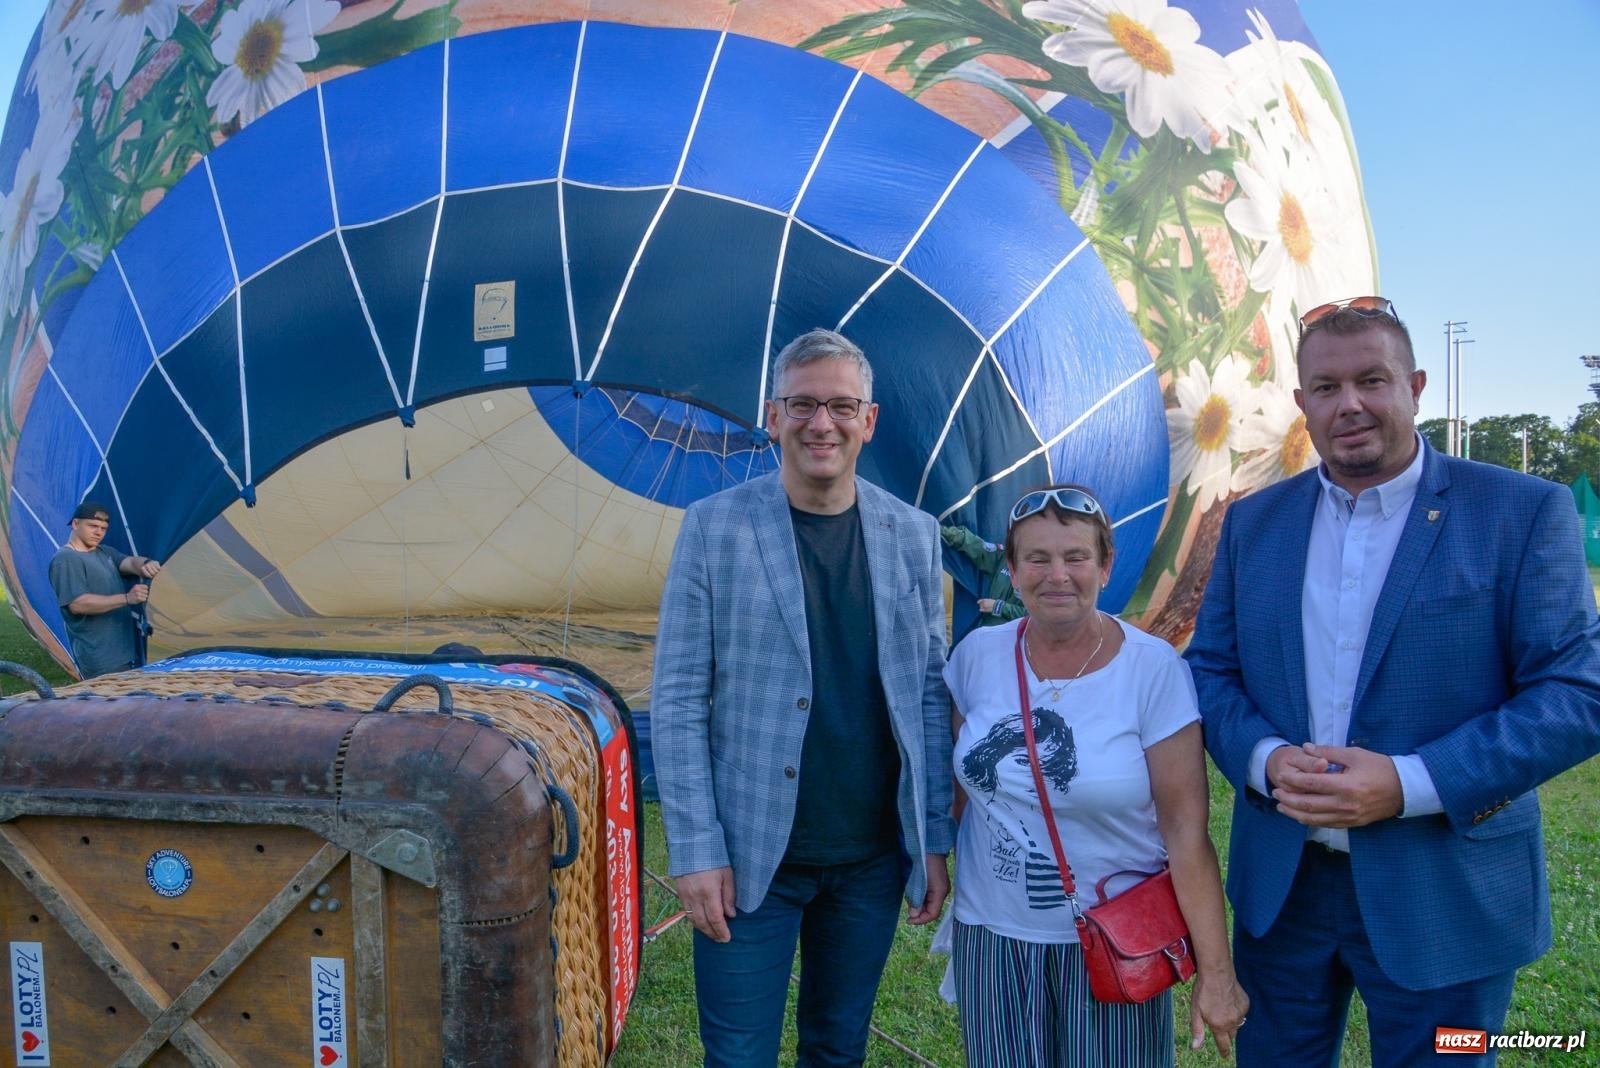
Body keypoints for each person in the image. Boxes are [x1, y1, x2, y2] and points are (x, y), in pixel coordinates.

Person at [1185, 296, 1600, 1066]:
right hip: (1285, 891)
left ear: (1415, 386)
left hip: (1446, 891)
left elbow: (1577, 692)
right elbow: (1209, 670)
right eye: (1326, 387)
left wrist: (1411, 782)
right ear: (1302, 403)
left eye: (1372, 381)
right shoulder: (1254, 523)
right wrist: (1264, 759)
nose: (1350, 404)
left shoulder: (1521, 511)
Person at [652, 328, 953, 1066]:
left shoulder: (913, 535)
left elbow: (928, 696)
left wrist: (934, 838)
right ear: (773, 414)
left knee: (837, 1048)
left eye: (841, 406)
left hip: (871, 858)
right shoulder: (715, 529)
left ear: (869, 419)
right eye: (804, 405)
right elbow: (680, 700)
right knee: (737, 1055)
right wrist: (695, 851)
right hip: (751, 859)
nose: (823, 423)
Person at [943, 483, 1247, 1066]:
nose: (1057, 574)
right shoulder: (977, 657)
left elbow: (1186, 833)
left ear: (1106, 566)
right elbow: (961, 788)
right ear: (1011, 567)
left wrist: (1216, 973)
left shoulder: (1151, 668)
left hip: (1116, 941)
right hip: (993, 936)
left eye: (1076, 557)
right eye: (1037, 558)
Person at [48, 500, 162, 678]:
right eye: (92, 525)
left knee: (129, 704)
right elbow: (77, 604)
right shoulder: (66, 559)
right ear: (75, 524)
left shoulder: (104, 552)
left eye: (103, 528)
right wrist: (127, 598)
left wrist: (146, 564)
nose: (98, 532)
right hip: (100, 658)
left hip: (123, 652)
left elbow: (130, 562)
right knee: (109, 704)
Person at [941, 523, 1025, 627]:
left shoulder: (1042, 570)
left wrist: (998, 607)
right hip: (988, 632)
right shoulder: (1003, 556)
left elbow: (1040, 617)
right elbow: (977, 548)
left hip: (1018, 637)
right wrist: (946, 532)